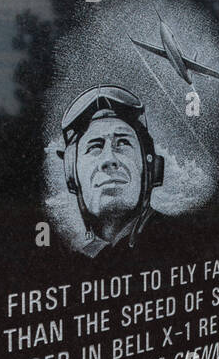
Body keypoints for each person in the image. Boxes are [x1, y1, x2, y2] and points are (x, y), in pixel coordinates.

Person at [56, 85, 169, 257]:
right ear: (72, 173)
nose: (109, 160)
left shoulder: (185, 237)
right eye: (94, 147)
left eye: (123, 143)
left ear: (151, 166)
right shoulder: (80, 259)